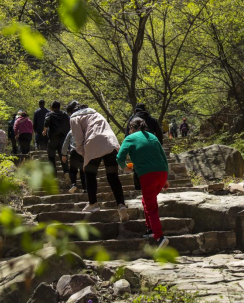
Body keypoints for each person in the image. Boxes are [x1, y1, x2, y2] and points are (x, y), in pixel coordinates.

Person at [68, 100, 128, 222]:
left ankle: (93, 203)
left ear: (70, 112)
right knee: (113, 176)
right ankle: (121, 204)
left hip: (93, 143)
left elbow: (78, 141)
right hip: (110, 142)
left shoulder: (74, 117)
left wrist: (85, 155)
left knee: (90, 174)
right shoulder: (96, 113)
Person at [117, 117, 170, 249]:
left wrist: (125, 167)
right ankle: (150, 229)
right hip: (162, 173)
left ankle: (159, 237)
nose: (129, 131)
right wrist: (166, 179)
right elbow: (163, 157)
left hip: (148, 176)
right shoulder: (152, 136)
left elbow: (119, 157)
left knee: (151, 206)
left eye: (129, 128)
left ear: (132, 127)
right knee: (146, 201)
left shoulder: (130, 138)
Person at [124, 103, 163, 191]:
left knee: (137, 166)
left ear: (136, 110)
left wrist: (127, 147)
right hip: (151, 145)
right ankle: (152, 186)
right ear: (145, 110)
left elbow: (127, 133)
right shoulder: (152, 119)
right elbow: (159, 133)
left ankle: (138, 188)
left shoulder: (132, 119)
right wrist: (159, 145)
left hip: (136, 146)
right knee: (151, 165)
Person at [43, 101, 71, 182]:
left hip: (52, 139)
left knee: (51, 157)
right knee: (63, 155)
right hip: (63, 139)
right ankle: (66, 171)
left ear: (51, 107)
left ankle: (54, 175)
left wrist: (44, 130)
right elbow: (70, 123)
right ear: (59, 107)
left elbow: (47, 121)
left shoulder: (49, 114)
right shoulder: (65, 114)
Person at [61, 128, 86, 194]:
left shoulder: (71, 131)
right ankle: (85, 188)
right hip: (82, 152)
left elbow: (66, 143)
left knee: (73, 170)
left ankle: (74, 184)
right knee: (83, 171)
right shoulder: (83, 130)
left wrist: (64, 154)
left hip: (74, 152)